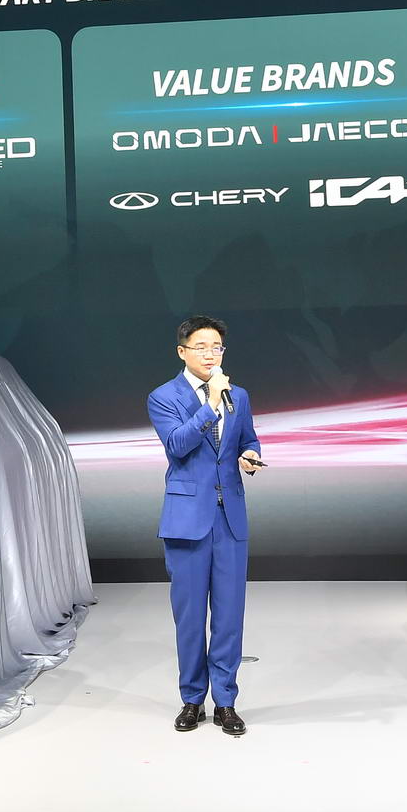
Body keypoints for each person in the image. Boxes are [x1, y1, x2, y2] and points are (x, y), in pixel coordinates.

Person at [147, 315, 264, 738]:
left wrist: (250, 455)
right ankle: (192, 700)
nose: (211, 354)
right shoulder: (163, 397)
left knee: (230, 616)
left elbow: (247, 438)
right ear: (182, 352)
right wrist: (211, 403)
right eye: (201, 347)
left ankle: (226, 702)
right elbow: (178, 445)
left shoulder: (239, 395)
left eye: (217, 347)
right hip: (186, 520)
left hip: (229, 517)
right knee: (191, 617)